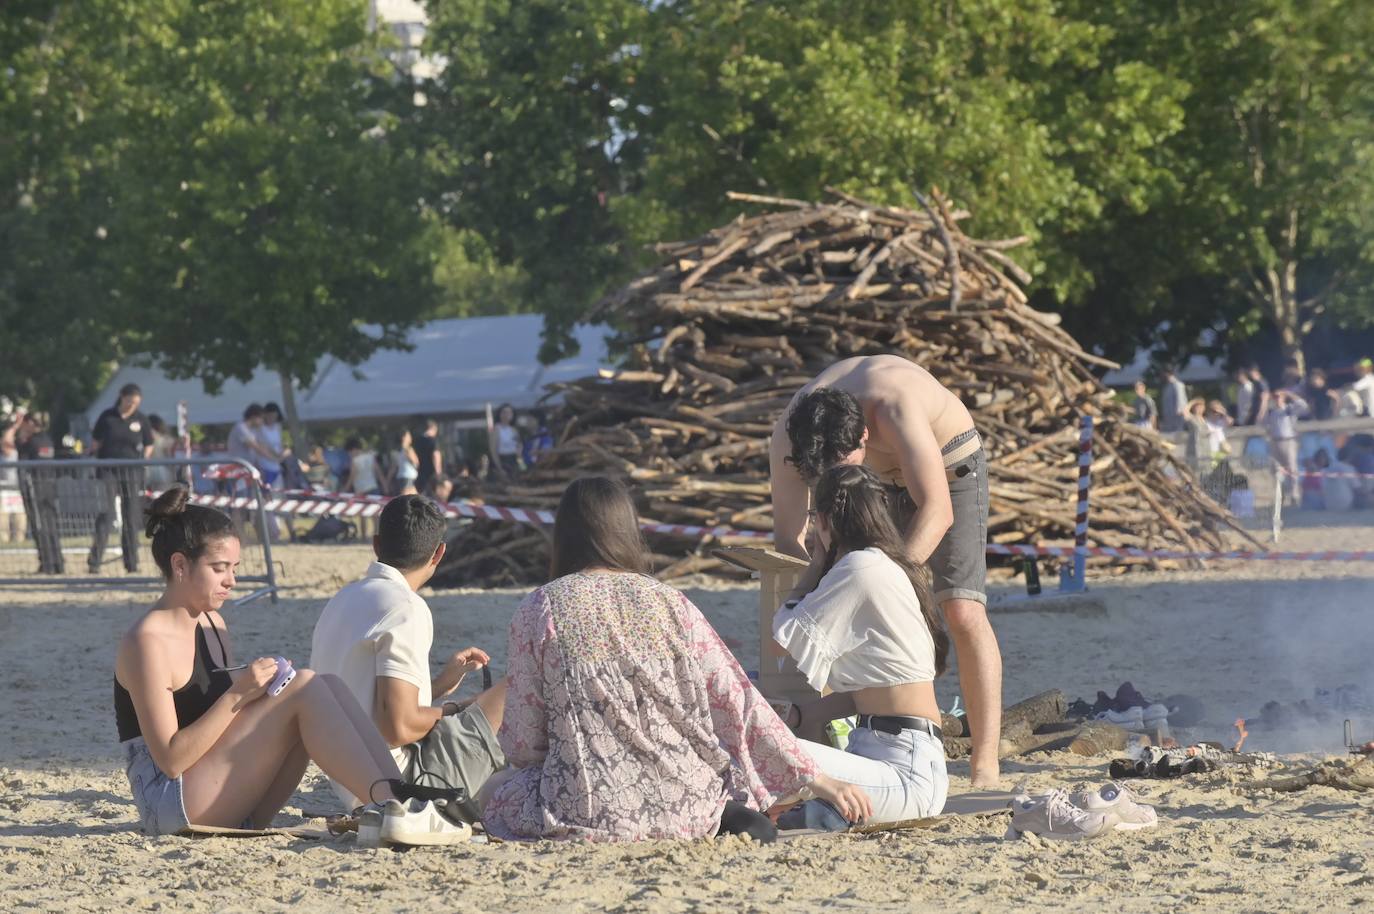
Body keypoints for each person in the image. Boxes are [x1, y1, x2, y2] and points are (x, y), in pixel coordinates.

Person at [482, 476, 869, 842]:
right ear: (627, 531)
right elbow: (737, 700)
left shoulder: (541, 607)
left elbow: (524, 741)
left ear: (562, 537)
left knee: (496, 791)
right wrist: (816, 779)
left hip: (587, 809)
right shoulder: (671, 602)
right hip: (687, 807)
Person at [113, 486, 468, 842]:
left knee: (321, 682)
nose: (231, 581)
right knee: (303, 688)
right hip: (170, 807)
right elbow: (171, 759)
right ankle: (396, 806)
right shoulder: (147, 642)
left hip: (212, 791)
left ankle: (399, 797)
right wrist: (239, 695)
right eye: (219, 569)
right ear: (180, 564)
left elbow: (215, 718)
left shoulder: (211, 623)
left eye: (234, 568)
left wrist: (260, 690)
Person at [769, 355, 1002, 788]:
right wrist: (822, 600)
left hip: (950, 472)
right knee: (849, 608)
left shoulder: (895, 405)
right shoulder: (791, 434)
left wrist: (889, 581)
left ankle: (984, 762)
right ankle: (829, 723)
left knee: (961, 611)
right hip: (870, 487)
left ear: (863, 435)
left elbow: (938, 510)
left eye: (842, 466)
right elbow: (789, 542)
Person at [311, 496, 508, 830]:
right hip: (402, 783)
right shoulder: (407, 608)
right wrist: (458, 707)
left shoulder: (343, 599)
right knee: (517, 685)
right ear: (439, 554)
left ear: (376, 545)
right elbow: (398, 728)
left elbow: (370, 706)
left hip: (351, 782)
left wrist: (440, 685)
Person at [771, 465, 950, 829]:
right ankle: (815, 813)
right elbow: (871, 692)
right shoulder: (885, 566)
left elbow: (782, 640)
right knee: (779, 766)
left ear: (823, 521)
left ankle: (814, 812)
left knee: (767, 751)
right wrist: (804, 716)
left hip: (904, 769)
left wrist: (816, 563)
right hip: (895, 755)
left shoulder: (859, 568)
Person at [90, 383, 155, 574]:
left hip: (131, 472)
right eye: (129, 401)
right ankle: (94, 562)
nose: (131, 406)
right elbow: (95, 441)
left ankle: (131, 563)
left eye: (135, 403)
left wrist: (144, 460)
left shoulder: (141, 419)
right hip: (108, 470)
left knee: (130, 517)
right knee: (106, 513)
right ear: (121, 397)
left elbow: (149, 443)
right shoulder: (107, 417)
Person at [1265, 388, 1309, 506]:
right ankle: (1281, 495)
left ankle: (1294, 495)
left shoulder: (1289, 409)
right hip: (1275, 442)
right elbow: (1262, 422)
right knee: (1277, 470)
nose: (1277, 399)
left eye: (1279, 396)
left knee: (1292, 469)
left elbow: (1303, 405)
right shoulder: (1271, 412)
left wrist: (1289, 394)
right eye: (1275, 397)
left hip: (1288, 440)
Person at [226, 405, 281, 476]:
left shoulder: (253, 430)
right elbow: (256, 447)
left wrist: (276, 454)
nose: (262, 422)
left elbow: (262, 445)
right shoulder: (241, 428)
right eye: (261, 418)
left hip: (247, 468)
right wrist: (274, 459)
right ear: (253, 417)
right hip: (238, 469)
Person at [0, 420, 25, 544]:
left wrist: (15, 426)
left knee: (18, 518)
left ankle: (18, 540)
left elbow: (6, 441)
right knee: (3, 520)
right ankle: (4, 540)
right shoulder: (3, 455)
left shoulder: (13, 454)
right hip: (4, 490)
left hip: (15, 489)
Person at [490, 404, 522, 479]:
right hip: (503, 460)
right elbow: (493, 451)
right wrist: (500, 468)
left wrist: (521, 464)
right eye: (504, 412)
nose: (507, 415)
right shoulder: (496, 429)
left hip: (514, 460)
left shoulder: (514, 430)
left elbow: (519, 445)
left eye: (509, 413)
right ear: (500, 414)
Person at [412, 418, 443, 495]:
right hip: (431, 473)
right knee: (433, 494)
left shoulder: (417, 441)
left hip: (420, 472)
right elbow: (435, 455)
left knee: (421, 494)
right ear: (433, 428)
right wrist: (438, 472)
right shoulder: (433, 441)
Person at [384, 429, 420, 496]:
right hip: (409, 476)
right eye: (409, 436)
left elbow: (393, 468)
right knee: (409, 497)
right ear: (403, 437)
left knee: (408, 496)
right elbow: (416, 462)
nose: (410, 438)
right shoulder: (408, 449)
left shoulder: (396, 452)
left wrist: (387, 481)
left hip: (401, 477)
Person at [1159, 368, 1187, 433]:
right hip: (1168, 420)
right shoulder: (1167, 387)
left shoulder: (1178, 385)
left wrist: (1180, 414)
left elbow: (1181, 401)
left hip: (1177, 420)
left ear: (1167, 373)